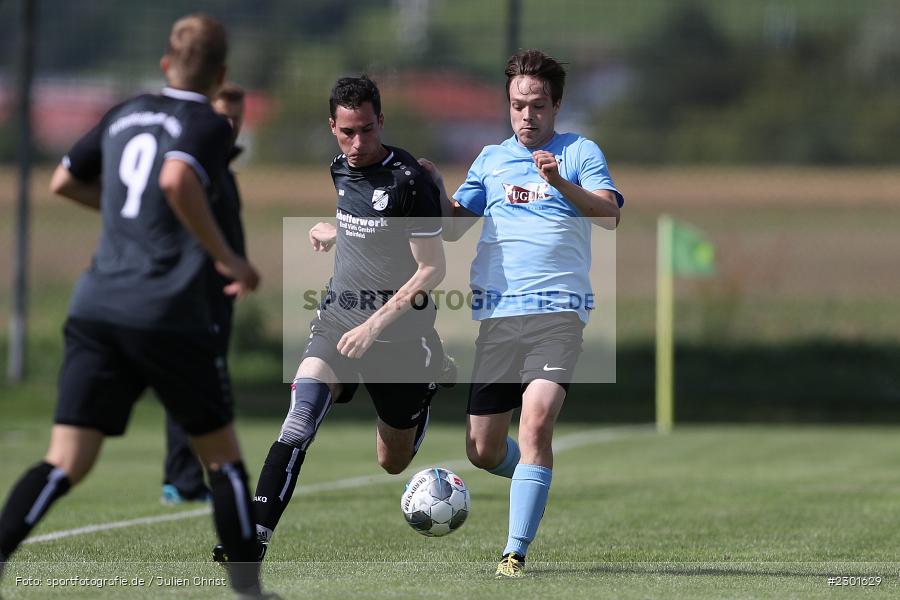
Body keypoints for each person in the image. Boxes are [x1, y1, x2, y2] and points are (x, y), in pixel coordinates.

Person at [0, 15, 273, 598]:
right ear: (221, 73)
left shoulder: (124, 112)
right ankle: (250, 591)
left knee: (64, 462)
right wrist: (229, 258)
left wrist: (128, 213)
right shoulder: (207, 122)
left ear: (164, 64)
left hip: (95, 303)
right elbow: (177, 181)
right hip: (165, 311)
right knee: (223, 460)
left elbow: (62, 182)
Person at [214, 75, 451, 562]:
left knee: (393, 461)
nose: (358, 143)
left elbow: (431, 268)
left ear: (381, 121)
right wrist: (335, 229)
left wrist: (374, 327)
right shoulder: (339, 169)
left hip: (398, 338)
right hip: (338, 319)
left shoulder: (410, 180)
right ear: (332, 127)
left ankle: (427, 384)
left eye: (366, 130)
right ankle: (253, 537)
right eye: (347, 132)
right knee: (298, 422)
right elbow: (369, 230)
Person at [419, 49, 623, 578]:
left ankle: (514, 552)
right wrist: (431, 187)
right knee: (483, 451)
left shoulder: (579, 152)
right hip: (499, 318)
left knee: (535, 424)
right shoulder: (489, 159)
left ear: (556, 105)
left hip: (558, 316)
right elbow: (454, 223)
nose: (526, 116)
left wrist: (559, 183)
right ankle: (535, 477)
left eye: (536, 106)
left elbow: (609, 214)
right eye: (517, 105)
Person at [161, 82, 248, 506]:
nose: (231, 124)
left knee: (200, 381)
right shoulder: (198, 169)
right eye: (223, 116)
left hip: (219, 293)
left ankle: (189, 477)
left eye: (237, 116)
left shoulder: (222, 166)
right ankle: (182, 479)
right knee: (193, 383)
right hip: (195, 292)